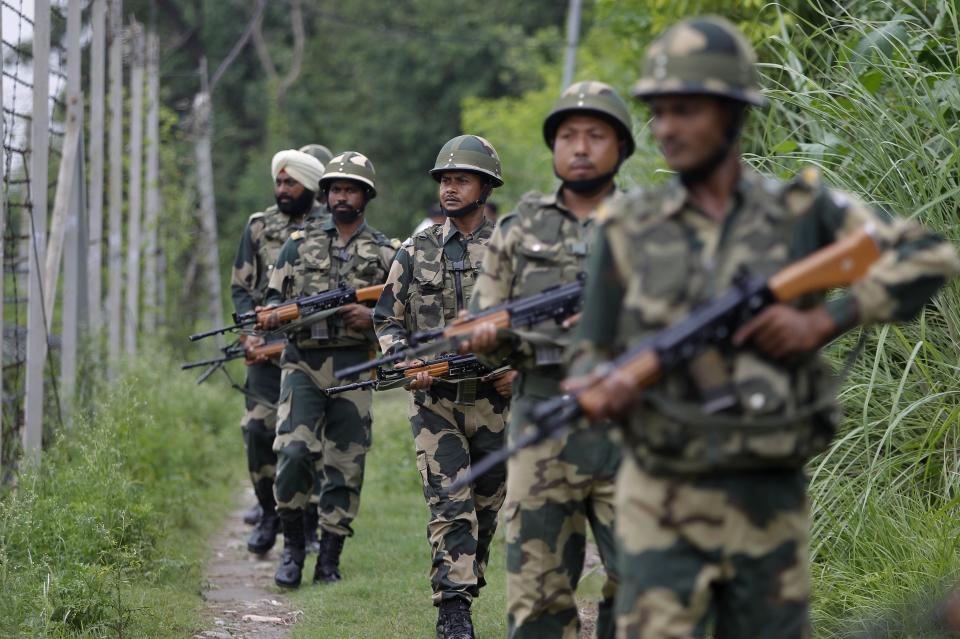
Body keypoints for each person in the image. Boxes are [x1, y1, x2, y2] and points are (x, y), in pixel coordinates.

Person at [565, 17, 960, 638]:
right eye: (659, 111)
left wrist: (823, 321)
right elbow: (589, 351)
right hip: (661, 496)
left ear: (732, 113)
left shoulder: (802, 211)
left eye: (686, 110)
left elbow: (930, 256)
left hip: (768, 499)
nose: (666, 127)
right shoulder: (625, 229)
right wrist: (601, 387)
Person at [464, 80, 634, 638]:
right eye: (567, 136)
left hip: (632, 420)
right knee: (539, 594)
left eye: (595, 135)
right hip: (542, 417)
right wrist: (513, 336)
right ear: (553, 147)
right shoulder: (517, 231)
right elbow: (483, 321)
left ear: (621, 147)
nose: (580, 147)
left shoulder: (656, 226)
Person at [373, 135, 515, 639]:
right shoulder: (414, 252)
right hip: (435, 403)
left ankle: (467, 582)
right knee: (449, 504)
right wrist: (403, 362)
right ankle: (453, 611)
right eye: (445, 180)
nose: (450, 189)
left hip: (496, 404)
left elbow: (535, 320)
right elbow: (387, 321)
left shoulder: (509, 251)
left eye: (461, 180)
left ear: (485, 186)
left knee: (487, 508)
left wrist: (519, 367)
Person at [264, 151, 398, 588]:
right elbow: (270, 308)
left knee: (346, 463)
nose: (342, 196)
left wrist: (370, 319)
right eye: (336, 189)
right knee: (294, 453)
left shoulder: (386, 253)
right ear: (326, 194)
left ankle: (330, 558)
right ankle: (294, 548)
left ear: (365, 196)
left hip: (355, 367)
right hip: (302, 364)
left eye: (351, 189)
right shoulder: (298, 245)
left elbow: (405, 316)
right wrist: (275, 319)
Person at [231, 148, 325, 556]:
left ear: (310, 186)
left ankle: (308, 519)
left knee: (307, 443)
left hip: (310, 353)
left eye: (292, 183)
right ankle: (269, 511)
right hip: (266, 356)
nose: (283, 189)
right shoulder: (258, 228)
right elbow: (241, 288)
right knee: (256, 430)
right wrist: (250, 335)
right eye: (279, 182)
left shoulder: (329, 227)